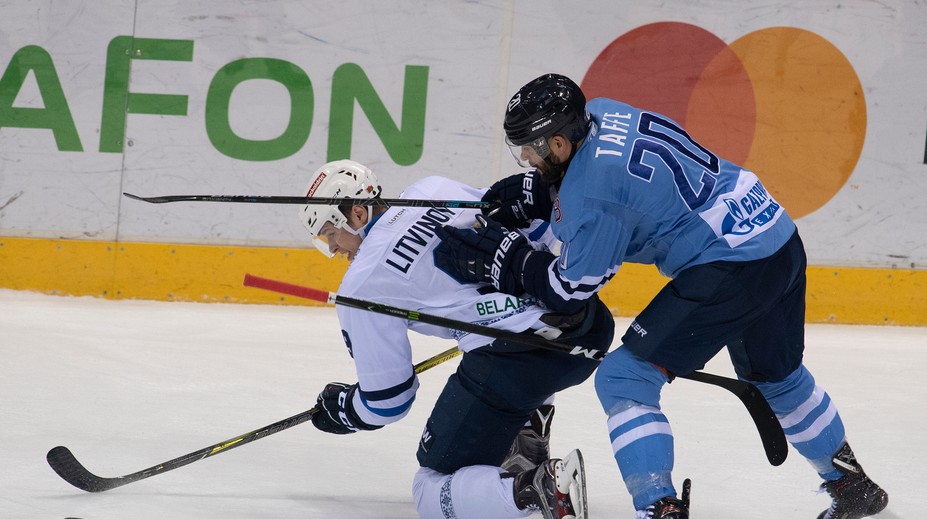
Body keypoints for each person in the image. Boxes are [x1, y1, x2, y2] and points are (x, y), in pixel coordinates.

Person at [434, 73, 888, 519]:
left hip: (730, 266)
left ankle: (660, 508)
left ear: (557, 143)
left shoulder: (594, 196)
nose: (528, 159)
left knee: (624, 378)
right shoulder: (601, 110)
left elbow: (568, 290)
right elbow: (622, 189)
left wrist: (504, 259)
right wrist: (544, 192)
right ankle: (853, 485)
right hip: (774, 234)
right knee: (778, 377)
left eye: (531, 150)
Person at [297, 159, 616, 519]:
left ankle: (536, 488)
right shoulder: (431, 189)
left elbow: (388, 401)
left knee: (430, 487)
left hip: (519, 363)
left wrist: (344, 409)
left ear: (356, 214)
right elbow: (535, 226)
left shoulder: (361, 284)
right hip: (588, 328)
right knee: (504, 343)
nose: (334, 249)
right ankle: (528, 438)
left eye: (330, 234)